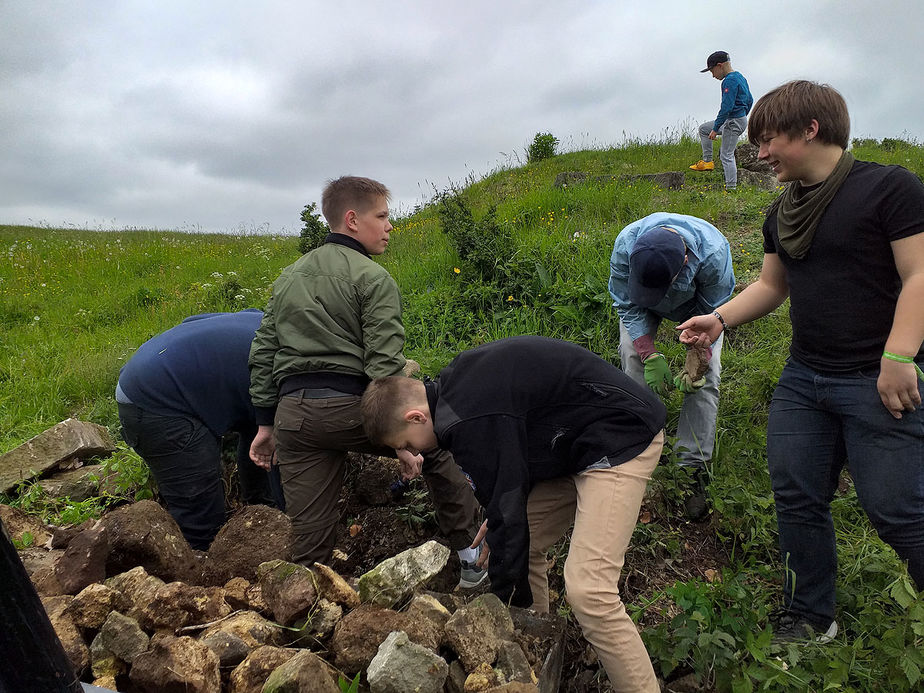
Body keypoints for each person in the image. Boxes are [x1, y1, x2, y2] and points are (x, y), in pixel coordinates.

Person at [678, 80, 924, 642]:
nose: (758, 153)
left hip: (877, 378)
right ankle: (812, 615)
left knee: (896, 511)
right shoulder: (782, 212)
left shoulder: (890, 189)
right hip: (805, 379)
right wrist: (719, 319)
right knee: (796, 497)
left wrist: (898, 356)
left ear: (810, 130)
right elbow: (772, 285)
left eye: (767, 141)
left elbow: (919, 276)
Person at [361, 336, 667, 692]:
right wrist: (501, 516)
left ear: (415, 416)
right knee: (525, 540)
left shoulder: (466, 418)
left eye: (407, 445)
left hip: (619, 437)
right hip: (571, 442)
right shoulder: (454, 392)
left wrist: (500, 609)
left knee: (589, 591)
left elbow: (506, 502)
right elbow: (508, 472)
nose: (414, 453)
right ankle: (536, 647)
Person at [248, 176, 484, 584]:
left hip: (294, 419)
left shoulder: (288, 278)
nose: (390, 226)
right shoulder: (373, 279)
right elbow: (384, 368)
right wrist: (404, 445)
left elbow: (263, 354)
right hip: (349, 408)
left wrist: (266, 424)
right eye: (383, 216)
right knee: (437, 444)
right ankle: (472, 559)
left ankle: (304, 612)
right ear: (352, 220)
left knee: (308, 537)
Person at [116, 310, 284, 551]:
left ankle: (260, 506)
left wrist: (265, 510)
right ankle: (196, 575)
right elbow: (281, 454)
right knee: (201, 517)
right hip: (158, 401)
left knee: (256, 434)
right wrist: (291, 518)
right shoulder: (287, 363)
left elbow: (260, 441)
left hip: (150, 371)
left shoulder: (264, 319)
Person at [608, 212, 735, 519]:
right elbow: (626, 303)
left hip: (696, 307)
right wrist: (649, 354)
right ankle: (639, 445)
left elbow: (714, 315)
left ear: (686, 261)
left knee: (706, 379)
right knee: (632, 355)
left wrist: (698, 359)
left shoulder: (714, 256)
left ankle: (691, 468)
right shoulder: (627, 244)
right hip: (642, 305)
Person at [689, 50, 753, 191]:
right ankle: (707, 162)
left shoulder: (729, 81)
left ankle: (731, 188)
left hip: (732, 121)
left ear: (720, 66)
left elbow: (726, 107)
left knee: (726, 154)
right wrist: (743, 115)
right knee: (704, 129)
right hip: (738, 119)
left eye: (712, 71)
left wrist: (716, 127)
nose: (712, 75)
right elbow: (750, 100)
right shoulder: (740, 77)